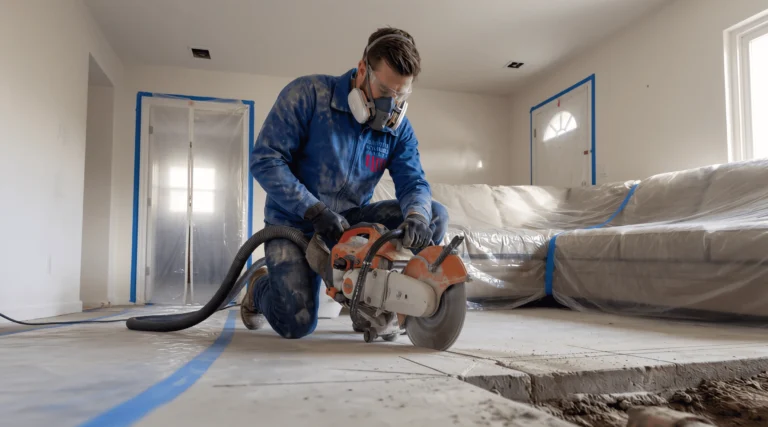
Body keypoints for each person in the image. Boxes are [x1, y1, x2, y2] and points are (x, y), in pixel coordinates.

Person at [242, 27, 448, 338]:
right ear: (363, 69)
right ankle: (259, 286)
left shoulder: (397, 130)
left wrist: (417, 216)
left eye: (401, 95)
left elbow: (413, 182)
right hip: (295, 221)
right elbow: (265, 160)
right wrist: (314, 210)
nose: (391, 106)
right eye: (385, 93)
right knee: (296, 323)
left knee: (434, 214)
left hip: (348, 221)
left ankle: (378, 305)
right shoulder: (309, 94)